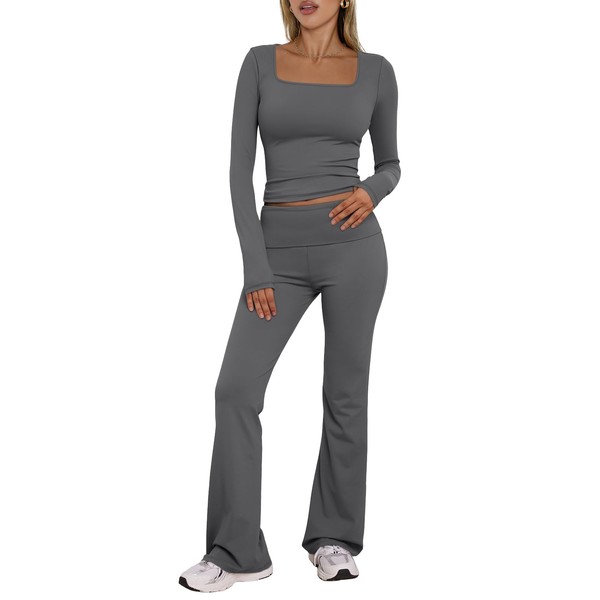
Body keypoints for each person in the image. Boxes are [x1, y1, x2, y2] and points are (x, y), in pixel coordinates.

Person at [179, 0, 400, 592]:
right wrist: (256, 267)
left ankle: (334, 539)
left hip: (355, 250)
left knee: (345, 394)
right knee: (235, 390)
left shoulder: (376, 70)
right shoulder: (259, 63)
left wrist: (373, 190)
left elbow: (392, 163)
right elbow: (238, 172)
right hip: (275, 253)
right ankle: (237, 551)